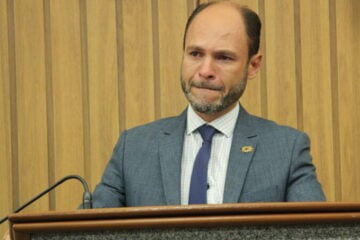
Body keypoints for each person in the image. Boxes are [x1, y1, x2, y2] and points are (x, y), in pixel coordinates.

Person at [90, 1, 326, 208]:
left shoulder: (286, 150)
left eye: (223, 57)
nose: (205, 71)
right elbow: (85, 232)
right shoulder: (132, 149)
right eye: (195, 54)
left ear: (253, 65)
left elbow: (319, 234)